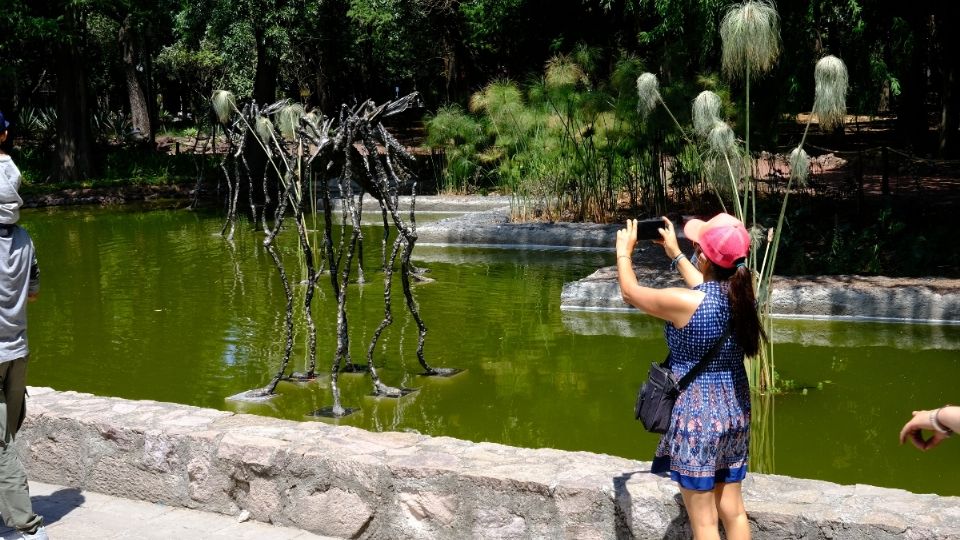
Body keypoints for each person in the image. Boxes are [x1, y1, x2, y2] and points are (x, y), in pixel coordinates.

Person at [616, 213, 764, 540]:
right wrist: (676, 253)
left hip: (698, 420)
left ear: (705, 257)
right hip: (734, 413)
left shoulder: (686, 303)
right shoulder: (743, 296)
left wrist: (624, 251)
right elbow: (704, 285)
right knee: (734, 512)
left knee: (705, 524)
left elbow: (630, 292)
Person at [0, 111, 47, 540]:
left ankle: (23, 526)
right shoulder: (26, 239)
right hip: (17, 352)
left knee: (0, 445)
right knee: (6, 433)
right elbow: (32, 293)